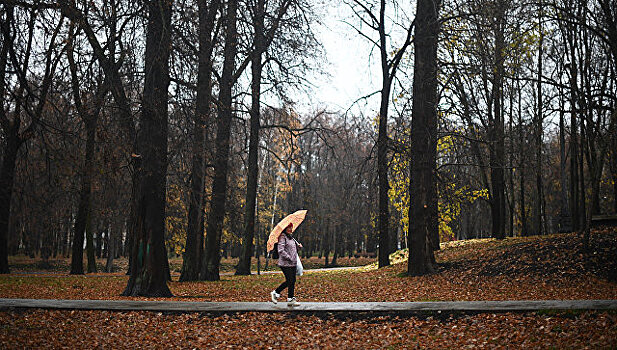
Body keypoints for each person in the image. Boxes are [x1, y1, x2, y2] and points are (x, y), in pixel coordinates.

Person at [270, 223, 303, 306]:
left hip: (293, 263)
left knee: (293, 281)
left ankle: (290, 299)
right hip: (285, 263)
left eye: (291, 228)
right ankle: (275, 292)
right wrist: (289, 257)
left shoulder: (291, 238)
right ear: (285, 228)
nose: (291, 229)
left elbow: (293, 250)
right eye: (289, 228)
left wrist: (298, 247)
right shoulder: (282, 237)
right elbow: (280, 250)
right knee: (290, 280)